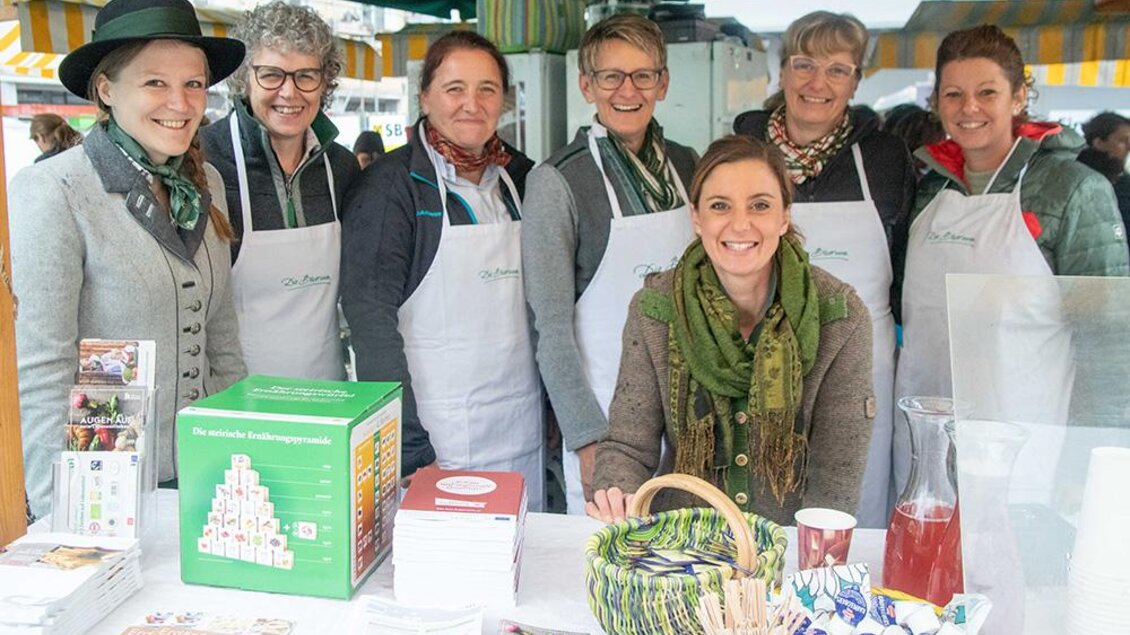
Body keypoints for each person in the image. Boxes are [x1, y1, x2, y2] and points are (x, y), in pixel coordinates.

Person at [9, 0, 247, 516]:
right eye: (155, 83)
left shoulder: (210, 187)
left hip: (202, 480)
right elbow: (42, 368)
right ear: (106, 90)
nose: (181, 103)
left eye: (194, 84)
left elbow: (223, 344)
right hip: (101, 493)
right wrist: (60, 515)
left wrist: (237, 462)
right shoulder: (54, 190)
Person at [587, 135, 875, 526]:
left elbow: (836, 473)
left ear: (784, 216)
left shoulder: (839, 315)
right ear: (696, 217)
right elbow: (627, 445)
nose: (740, 224)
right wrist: (617, 497)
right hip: (679, 542)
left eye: (760, 205)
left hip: (787, 546)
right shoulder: (657, 308)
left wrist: (806, 567)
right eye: (720, 206)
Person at [895, 25, 1129, 492]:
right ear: (937, 102)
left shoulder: (1073, 189)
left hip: (1029, 447)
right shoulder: (928, 191)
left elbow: (1109, 342)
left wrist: (1094, 469)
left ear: (1019, 96)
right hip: (925, 444)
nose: (969, 108)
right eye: (953, 94)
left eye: (987, 92)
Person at [341, 32, 544, 509]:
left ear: (504, 101)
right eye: (454, 88)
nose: (471, 104)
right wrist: (409, 447)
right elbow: (371, 323)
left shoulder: (520, 178)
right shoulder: (389, 189)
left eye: (487, 89)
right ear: (425, 96)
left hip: (519, 425)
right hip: (438, 441)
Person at [732, 11, 915, 528]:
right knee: (763, 512)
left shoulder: (885, 157)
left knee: (852, 508)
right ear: (782, 71)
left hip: (862, 369)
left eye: (838, 69)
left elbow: (901, 261)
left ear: (857, 81)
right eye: (805, 64)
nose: (818, 83)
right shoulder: (743, 149)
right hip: (758, 360)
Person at [522, 14, 697, 514]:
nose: (628, 90)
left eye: (644, 75)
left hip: (689, 417)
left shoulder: (688, 164)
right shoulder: (557, 181)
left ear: (662, 83)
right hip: (608, 423)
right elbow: (550, 327)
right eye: (610, 76)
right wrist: (585, 437)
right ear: (586, 85)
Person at [201, 0, 360, 381]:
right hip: (234, 399)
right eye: (271, 75)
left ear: (325, 82)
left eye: (306, 75)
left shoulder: (341, 167)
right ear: (244, 78)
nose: (289, 93)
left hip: (326, 393)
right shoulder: (204, 160)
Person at [1078, 112, 1130, 234]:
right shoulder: (1079, 181)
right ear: (1099, 143)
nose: (1129, 147)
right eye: (1123, 141)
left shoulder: (1123, 182)